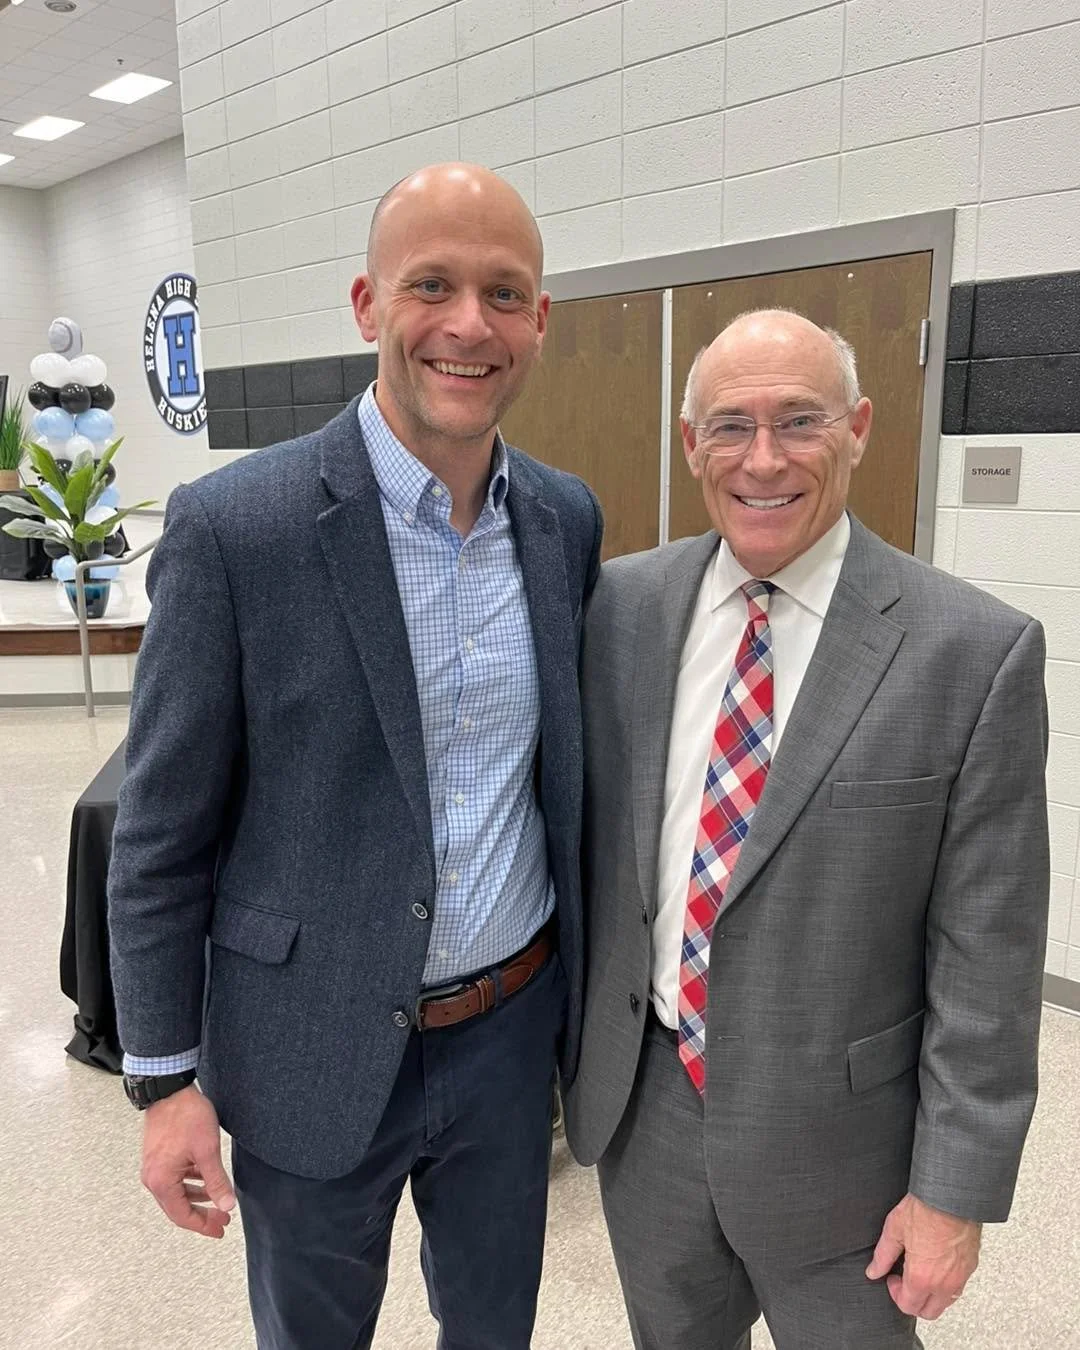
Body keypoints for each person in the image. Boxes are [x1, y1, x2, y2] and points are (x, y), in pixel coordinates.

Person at [108, 162, 603, 1350]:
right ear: (367, 304)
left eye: (503, 292)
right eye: (430, 284)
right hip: (306, 1041)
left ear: (540, 320)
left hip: (506, 1035)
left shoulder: (565, 519)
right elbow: (160, 830)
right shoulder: (239, 529)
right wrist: (166, 1081)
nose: (467, 325)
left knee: (495, 1330)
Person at [564, 309, 1050, 1350]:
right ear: (691, 443)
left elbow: (989, 958)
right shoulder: (617, 610)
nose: (764, 458)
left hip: (850, 1159)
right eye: (731, 425)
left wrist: (954, 1192)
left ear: (861, 426)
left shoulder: (972, 653)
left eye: (800, 420)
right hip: (646, 1120)